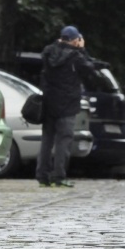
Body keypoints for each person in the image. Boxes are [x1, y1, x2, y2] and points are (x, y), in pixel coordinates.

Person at [36, 26, 99, 188]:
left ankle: (42, 176)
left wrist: (61, 43)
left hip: (49, 102)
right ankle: (59, 176)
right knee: (64, 140)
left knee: (47, 139)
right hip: (68, 104)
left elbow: (54, 50)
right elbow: (90, 69)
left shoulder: (48, 51)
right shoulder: (76, 56)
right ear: (76, 40)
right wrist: (83, 49)